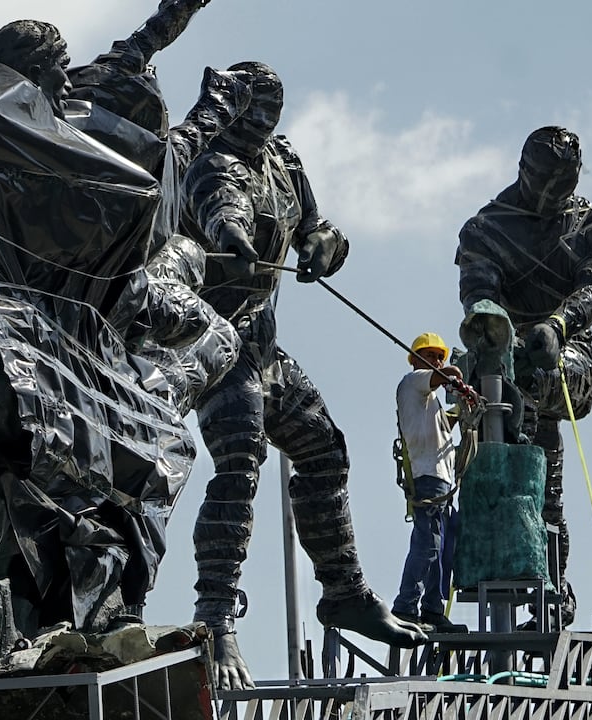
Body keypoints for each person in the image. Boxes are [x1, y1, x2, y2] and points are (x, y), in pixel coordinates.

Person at [180, 61, 424, 689]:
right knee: (240, 461)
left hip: (264, 346)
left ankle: (343, 591)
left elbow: (319, 225)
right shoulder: (209, 164)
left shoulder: (283, 160)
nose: (261, 123)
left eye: (271, 112)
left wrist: (326, 246)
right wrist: (230, 236)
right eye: (253, 110)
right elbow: (217, 208)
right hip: (211, 343)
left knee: (325, 448)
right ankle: (214, 619)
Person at [456, 126, 592, 627]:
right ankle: (530, 571)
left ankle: (553, 582)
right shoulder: (485, 229)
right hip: (500, 358)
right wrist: (496, 332)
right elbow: (478, 291)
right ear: (523, 171)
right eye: (545, 183)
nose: (554, 196)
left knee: (538, 390)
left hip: (567, 357)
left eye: (565, 184)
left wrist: (557, 326)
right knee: (527, 473)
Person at [392, 333, 469, 634]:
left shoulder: (430, 402)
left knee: (444, 548)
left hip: (441, 481)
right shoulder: (413, 382)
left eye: (440, 356)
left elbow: (442, 426)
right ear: (416, 359)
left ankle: (433, 609)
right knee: (428, 544)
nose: (437, 360)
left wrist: (462, 408)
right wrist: (457, 376)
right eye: (430, 355)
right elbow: (447, 374)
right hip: (427, 478)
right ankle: (406, 605)